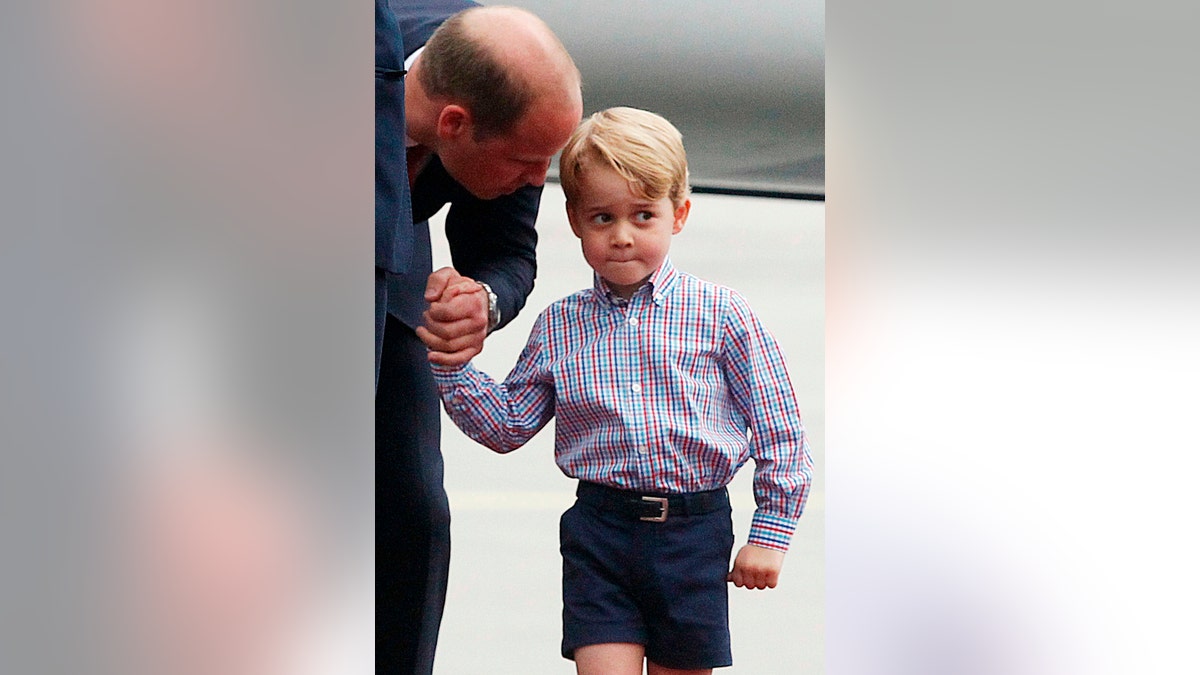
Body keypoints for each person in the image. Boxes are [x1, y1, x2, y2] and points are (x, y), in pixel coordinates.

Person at [423, 107, 814, 675]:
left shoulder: (723, 316)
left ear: (678, 214)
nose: (623, 237)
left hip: (693, 533)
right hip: (599, 533)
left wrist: (770, 534)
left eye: (643, 216)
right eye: (603, 217)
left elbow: (781, 431)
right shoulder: (560, 325)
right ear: (575, 219)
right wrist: (451, 363)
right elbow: (508, 425)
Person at [374, 2, 583, 673]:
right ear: (454, 123)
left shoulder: (501, 97)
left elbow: (509, 254)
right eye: (527, 163)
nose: (535, 180)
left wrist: (483, 302)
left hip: (394, 250)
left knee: (412, 510)